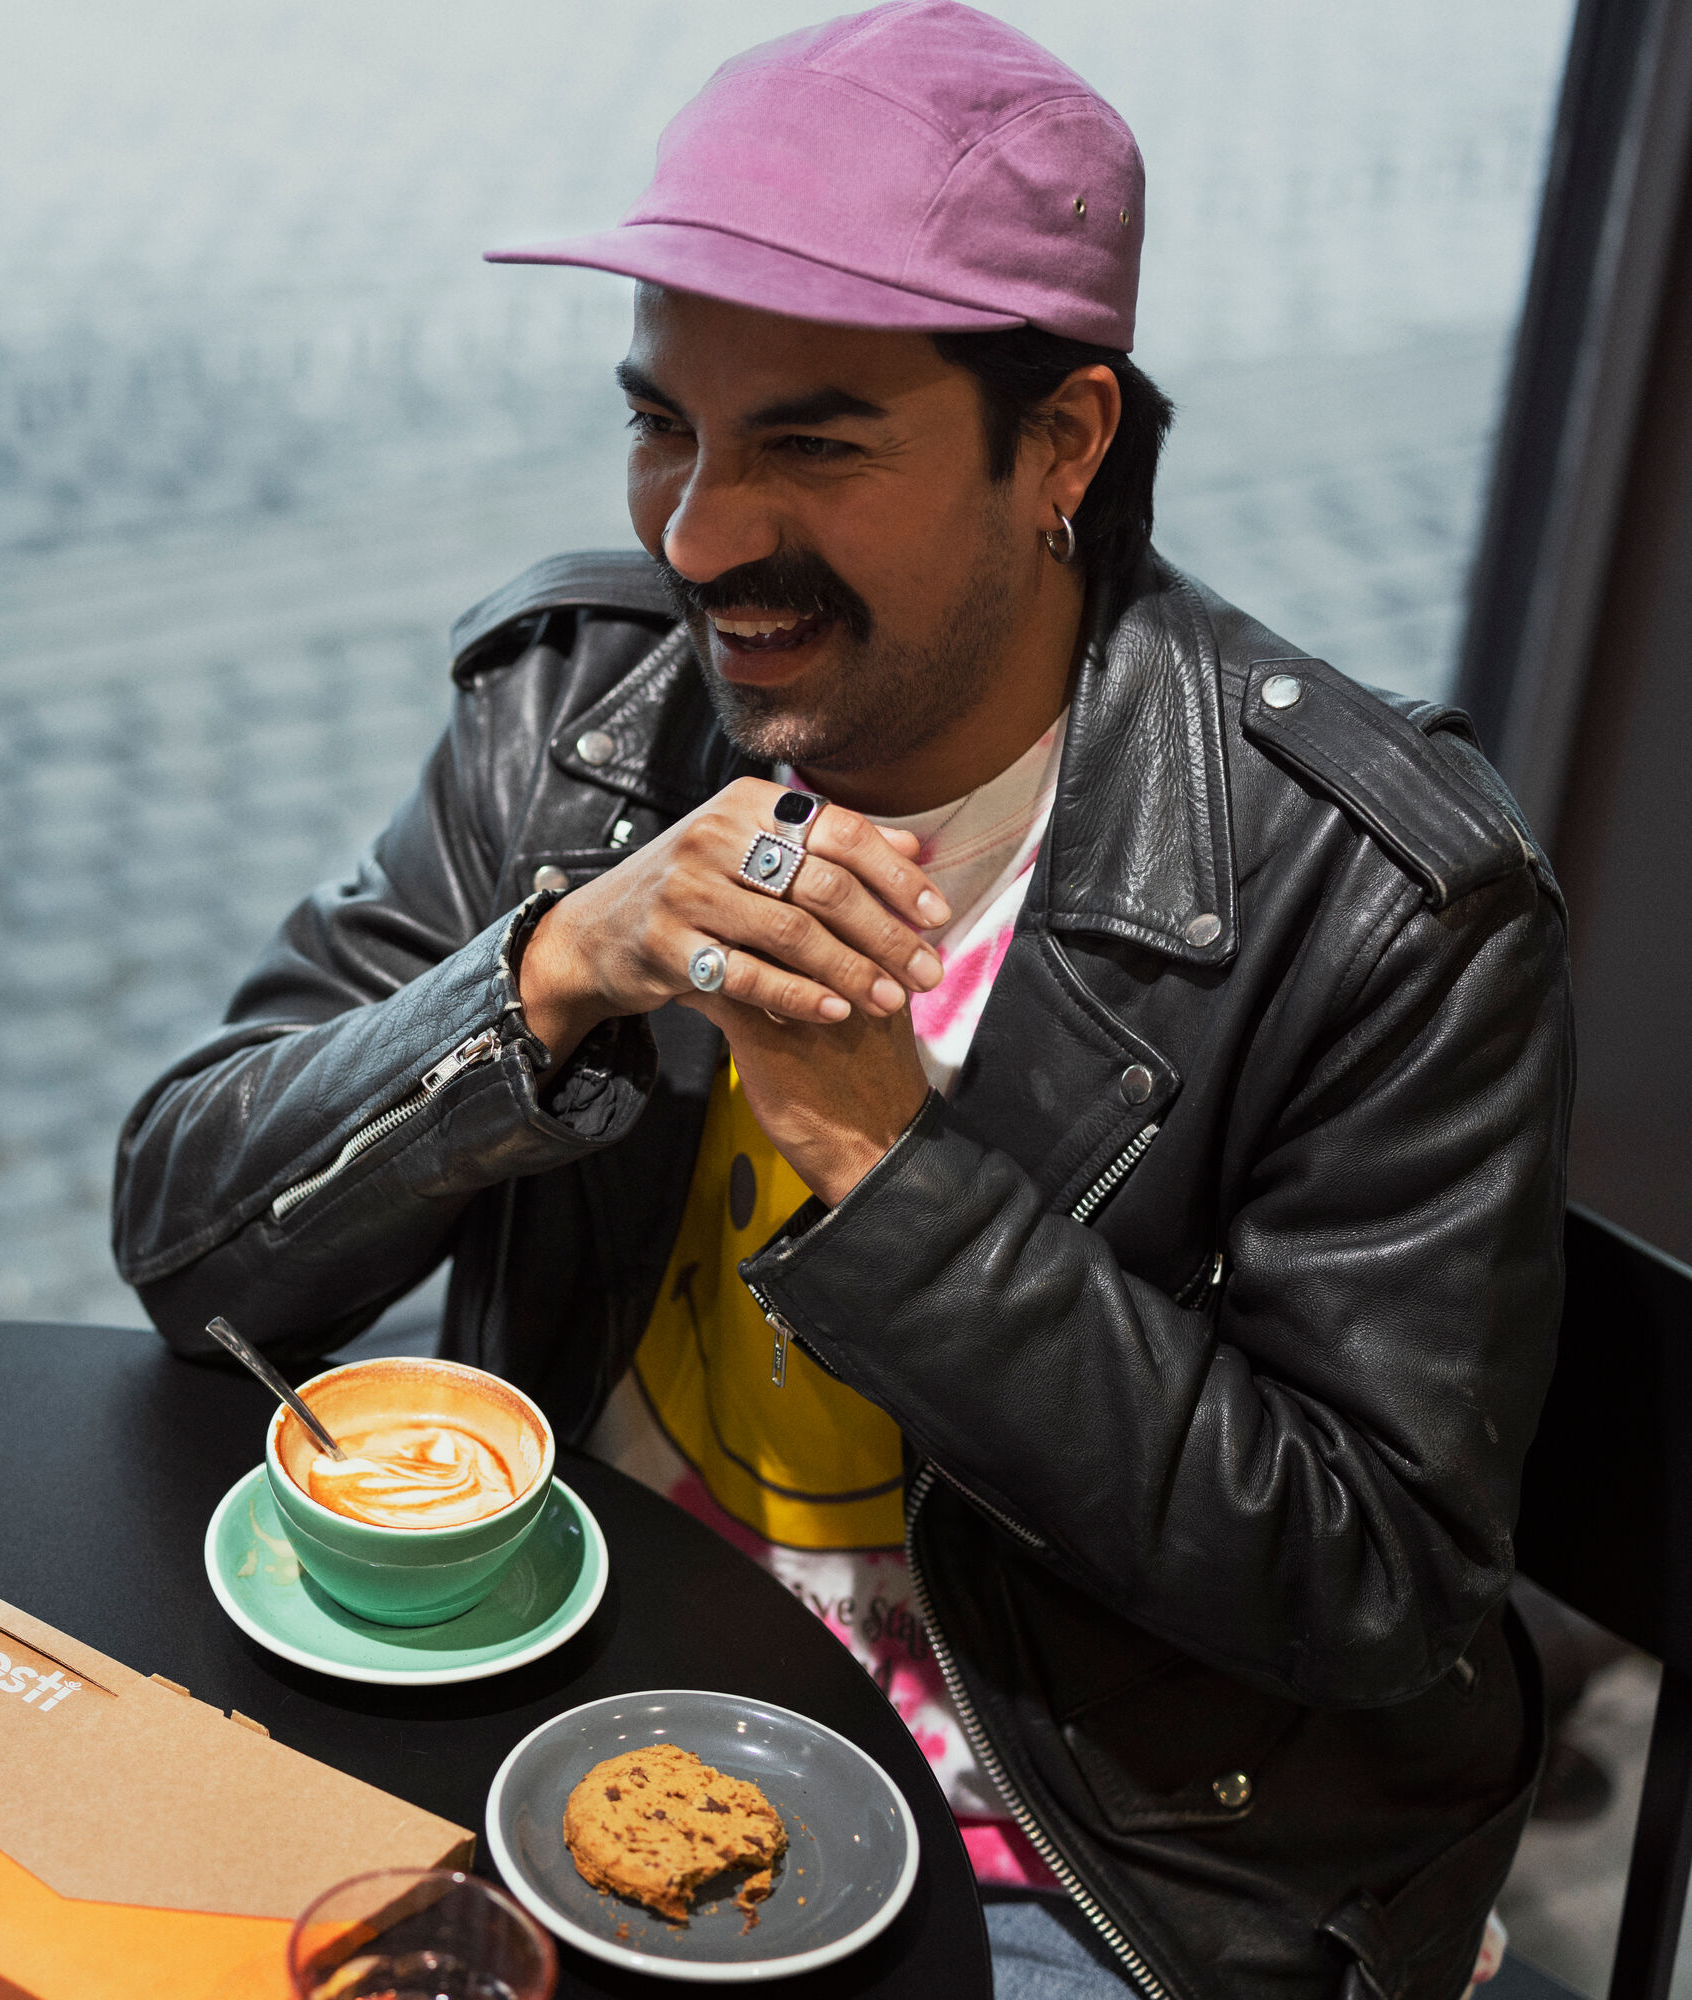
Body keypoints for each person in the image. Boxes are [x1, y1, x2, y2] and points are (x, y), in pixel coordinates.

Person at [111, 6, 1569, 1995]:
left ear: (1063, 442)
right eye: (664, 425)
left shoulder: (1378, 897)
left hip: (1066, 1872)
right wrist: (536, 986)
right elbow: (190, 1242)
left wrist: (892, 1177)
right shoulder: (582, 722)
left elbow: (1371, 1587)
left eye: (810, 439)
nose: (699, 534)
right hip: (543, 1708)